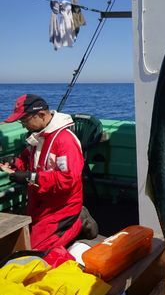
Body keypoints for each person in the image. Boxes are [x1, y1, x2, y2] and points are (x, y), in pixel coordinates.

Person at [0, 94, 98, 251]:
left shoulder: (65, 141)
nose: (23, 125)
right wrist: (14, 162)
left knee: (37, 250)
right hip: (40, 205)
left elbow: (68, 180)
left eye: (25, 120)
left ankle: (78, 220)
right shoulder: (37, 137)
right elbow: (28, 162)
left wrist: (31, 177)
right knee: (22, 243)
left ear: (41, 115)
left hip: (62, 207)